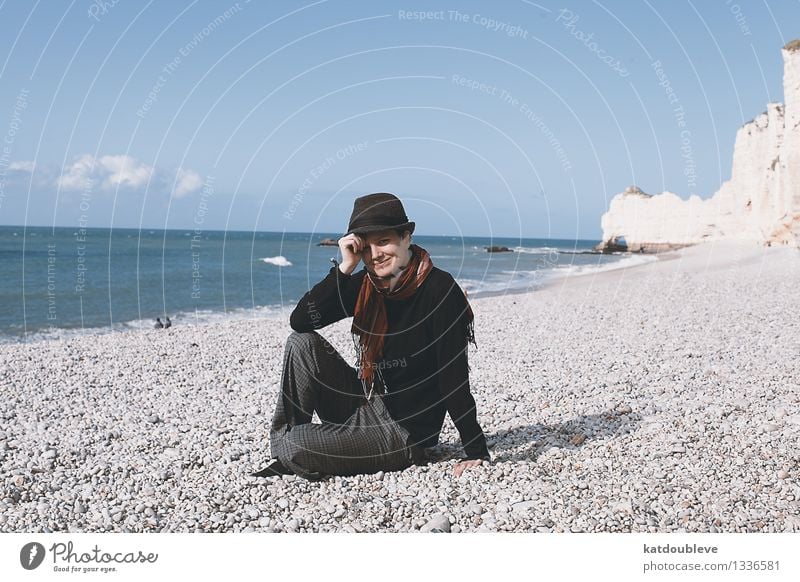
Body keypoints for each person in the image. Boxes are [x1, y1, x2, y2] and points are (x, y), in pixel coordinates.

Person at [259, 192, 490, 480]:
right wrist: (345, 268)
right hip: (366, 401)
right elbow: (302, 321)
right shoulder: (368, 284)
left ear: (406, 236)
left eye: (383, 241)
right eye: (366, 247)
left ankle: (289, 448)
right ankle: (287, 447)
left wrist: (475, 449)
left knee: (295, 442)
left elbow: (453, 376)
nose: (375, 255)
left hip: (402, 431)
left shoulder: (439, 291)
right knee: (301, 343)